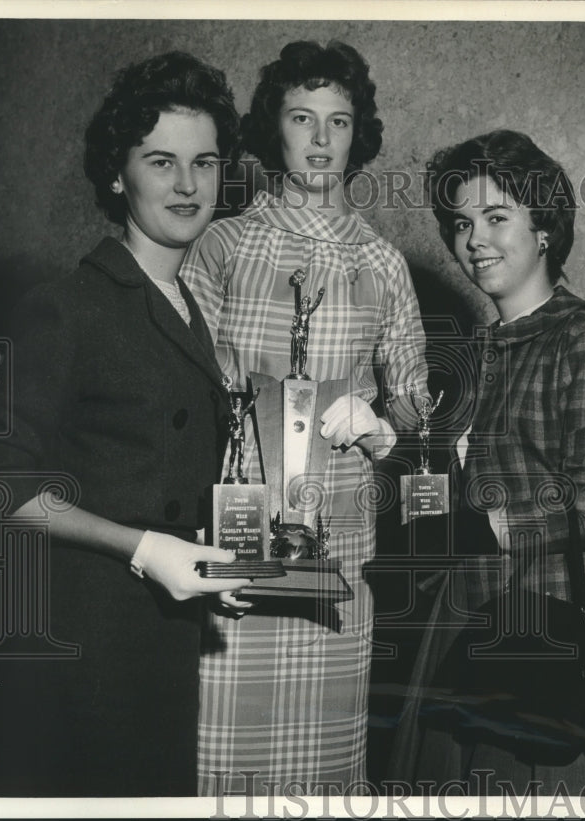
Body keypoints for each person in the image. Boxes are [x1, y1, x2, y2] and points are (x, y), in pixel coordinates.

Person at [0, 52, 248, 796]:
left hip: (160, 642)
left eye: (204, 162)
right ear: (118, 175)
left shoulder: (185, 305)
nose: (188, 186)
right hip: (84, 649)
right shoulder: (70, 304)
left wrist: (209, 562)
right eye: (161, 162)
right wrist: (145, 547)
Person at [180, 40, 429, 794]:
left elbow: (416, 400)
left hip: (338, 549)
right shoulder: (219, 244)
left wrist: (381, 421)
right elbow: (178, 387)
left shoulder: (383, 263)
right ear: (274, 128)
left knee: (320, 777)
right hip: (236, 538)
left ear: (359, 135)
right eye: (301, 117)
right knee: (223, 764)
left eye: (339, 121)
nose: (321, 140)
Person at [387, 129, 585, 792]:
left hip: (535, 627)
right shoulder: (466, 358)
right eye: (462, 223)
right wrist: (388, 453)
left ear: (545, 228)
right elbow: (432, 503)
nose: (475, 240)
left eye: (497, 218)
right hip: (453, 619)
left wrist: (476, 523)